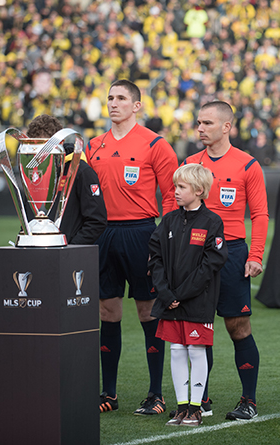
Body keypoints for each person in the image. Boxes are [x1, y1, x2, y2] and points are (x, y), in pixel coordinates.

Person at [86, 79, 179, 415]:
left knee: (147, 311)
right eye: (110, 98)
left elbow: (172, 193)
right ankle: (107, 392)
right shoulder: (93, 145)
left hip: (142, 234)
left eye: (121, 98)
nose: (113, 103)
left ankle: (156, 393)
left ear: (136, 106)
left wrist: (167, 236)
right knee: (106, 312)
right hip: (103, 234)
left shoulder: (155, 144)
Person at [183, 100, 269, 420]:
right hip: (196, 254)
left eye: (207, 123)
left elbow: (260, 215)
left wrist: (256, 255)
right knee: (198, 327)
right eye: (198, 123)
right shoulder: (191, 163)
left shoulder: (247, 165)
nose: (200, 128)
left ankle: (249, 400)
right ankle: (199, 397)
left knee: (237, 326)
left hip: (232, 254)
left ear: (226, 127)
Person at [149, 164, 227, 428]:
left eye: (181, 187)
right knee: (176, 350)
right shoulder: (169, 219)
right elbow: (155, 258)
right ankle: (182, 407)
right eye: (176, 186)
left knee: (196, 349)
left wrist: (179, 294)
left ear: (199, 191)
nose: (175, 191)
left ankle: (196, 408)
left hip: (197, 301)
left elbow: (211, 265)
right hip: (170, 299)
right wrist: (165, 292)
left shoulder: (212, 222)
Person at [26, 114, 107, 245]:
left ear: (60, 142)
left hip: (68, 256)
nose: (39, 153)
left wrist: (71, 247)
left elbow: (97, 221)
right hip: (37, 252)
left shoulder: (81, 172)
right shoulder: (32, 172)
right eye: (35, 146)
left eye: (45, 146)